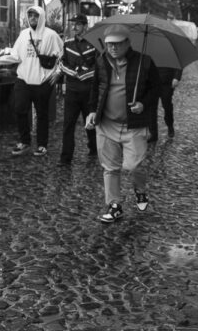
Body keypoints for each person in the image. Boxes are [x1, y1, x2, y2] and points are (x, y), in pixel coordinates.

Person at [85, 24, 160, 224]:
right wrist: (92, 111)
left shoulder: (144, 62)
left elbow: (156, 89)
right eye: (110, 44)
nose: (113, 48)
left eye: (118, 43)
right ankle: (115, 206)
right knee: (109, 167)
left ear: (128, 43)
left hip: (133, 125)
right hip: (107, 123)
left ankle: (140, 189)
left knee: (134, 165)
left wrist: (143, 103)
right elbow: (95, 88)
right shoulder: (101, 61)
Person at [0, 5, 63, 157]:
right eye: (30, 15)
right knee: (19, 109)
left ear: (41, 17)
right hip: (23, 79)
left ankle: (42, 145)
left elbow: (62, 54)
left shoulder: (51, 35)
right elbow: (15, 55)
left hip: (43, 81)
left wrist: (59, 72)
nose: (32, 18)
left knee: (42, 114)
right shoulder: (23, 34)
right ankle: (24, 142)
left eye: (35, 15)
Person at [55, 14, 97, 165]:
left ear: (85, 26)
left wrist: (84, 74)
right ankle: (65, 157)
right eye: (73, 24)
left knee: (90, 123)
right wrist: (74, 73)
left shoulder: (95, 43)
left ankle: (94, 148)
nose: (74, 27)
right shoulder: (68, 43)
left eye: (78, 24)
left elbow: (98, 66)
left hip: (88, 89)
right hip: (72, 90)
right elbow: (62, 63)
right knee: (68, 125)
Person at [148, 66, 182, 142]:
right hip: (152, 82)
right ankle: (153, 134)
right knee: (152, 109)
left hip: (167, 83)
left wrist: (176, 77)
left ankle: (170, 125)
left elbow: (178, 64)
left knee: (167, 105)